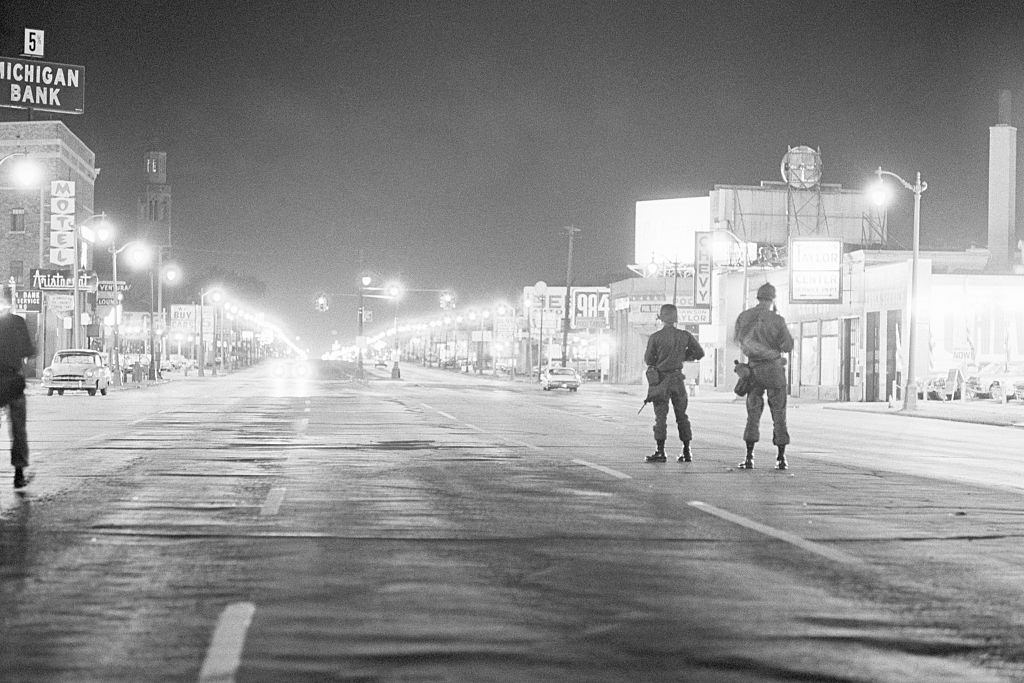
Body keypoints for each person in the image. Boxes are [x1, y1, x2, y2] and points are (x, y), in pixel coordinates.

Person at [733, 283, 794, 470]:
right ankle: (781, 458)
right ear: (772, 299)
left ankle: (749, 457)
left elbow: (737, 340)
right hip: (774, 372)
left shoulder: (744, 317)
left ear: (758, 297)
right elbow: (787, 346)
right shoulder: (777, 320)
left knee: (753, 414)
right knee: (779, 414)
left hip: (753, 372)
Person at [643, 303, 705, 463]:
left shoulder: (655, 337)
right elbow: (699, 352)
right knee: (682, 416)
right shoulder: (685, 335)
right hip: (678, 379)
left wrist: (661, 359)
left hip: (662, 380)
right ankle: (686, 450)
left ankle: (660, 451)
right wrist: (684, 356)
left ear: (661, 318)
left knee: (660, 417)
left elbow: (648, 360)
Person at [0, 286, 37, 489]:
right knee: (18, 428)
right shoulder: (17, 322)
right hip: (13, 381)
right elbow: (28, 350)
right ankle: (19, 472)